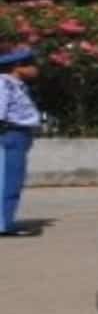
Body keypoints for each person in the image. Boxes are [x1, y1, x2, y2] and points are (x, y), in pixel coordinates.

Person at [0, 45, 42, 238]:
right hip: (10, 135)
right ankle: (3, 224)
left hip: (19, 135)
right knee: (7, 181)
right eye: (31, 65)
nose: (36, 69)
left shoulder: (17, 85)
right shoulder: (4, 84)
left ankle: (5, 222)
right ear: (18, 66)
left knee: (13, 181)